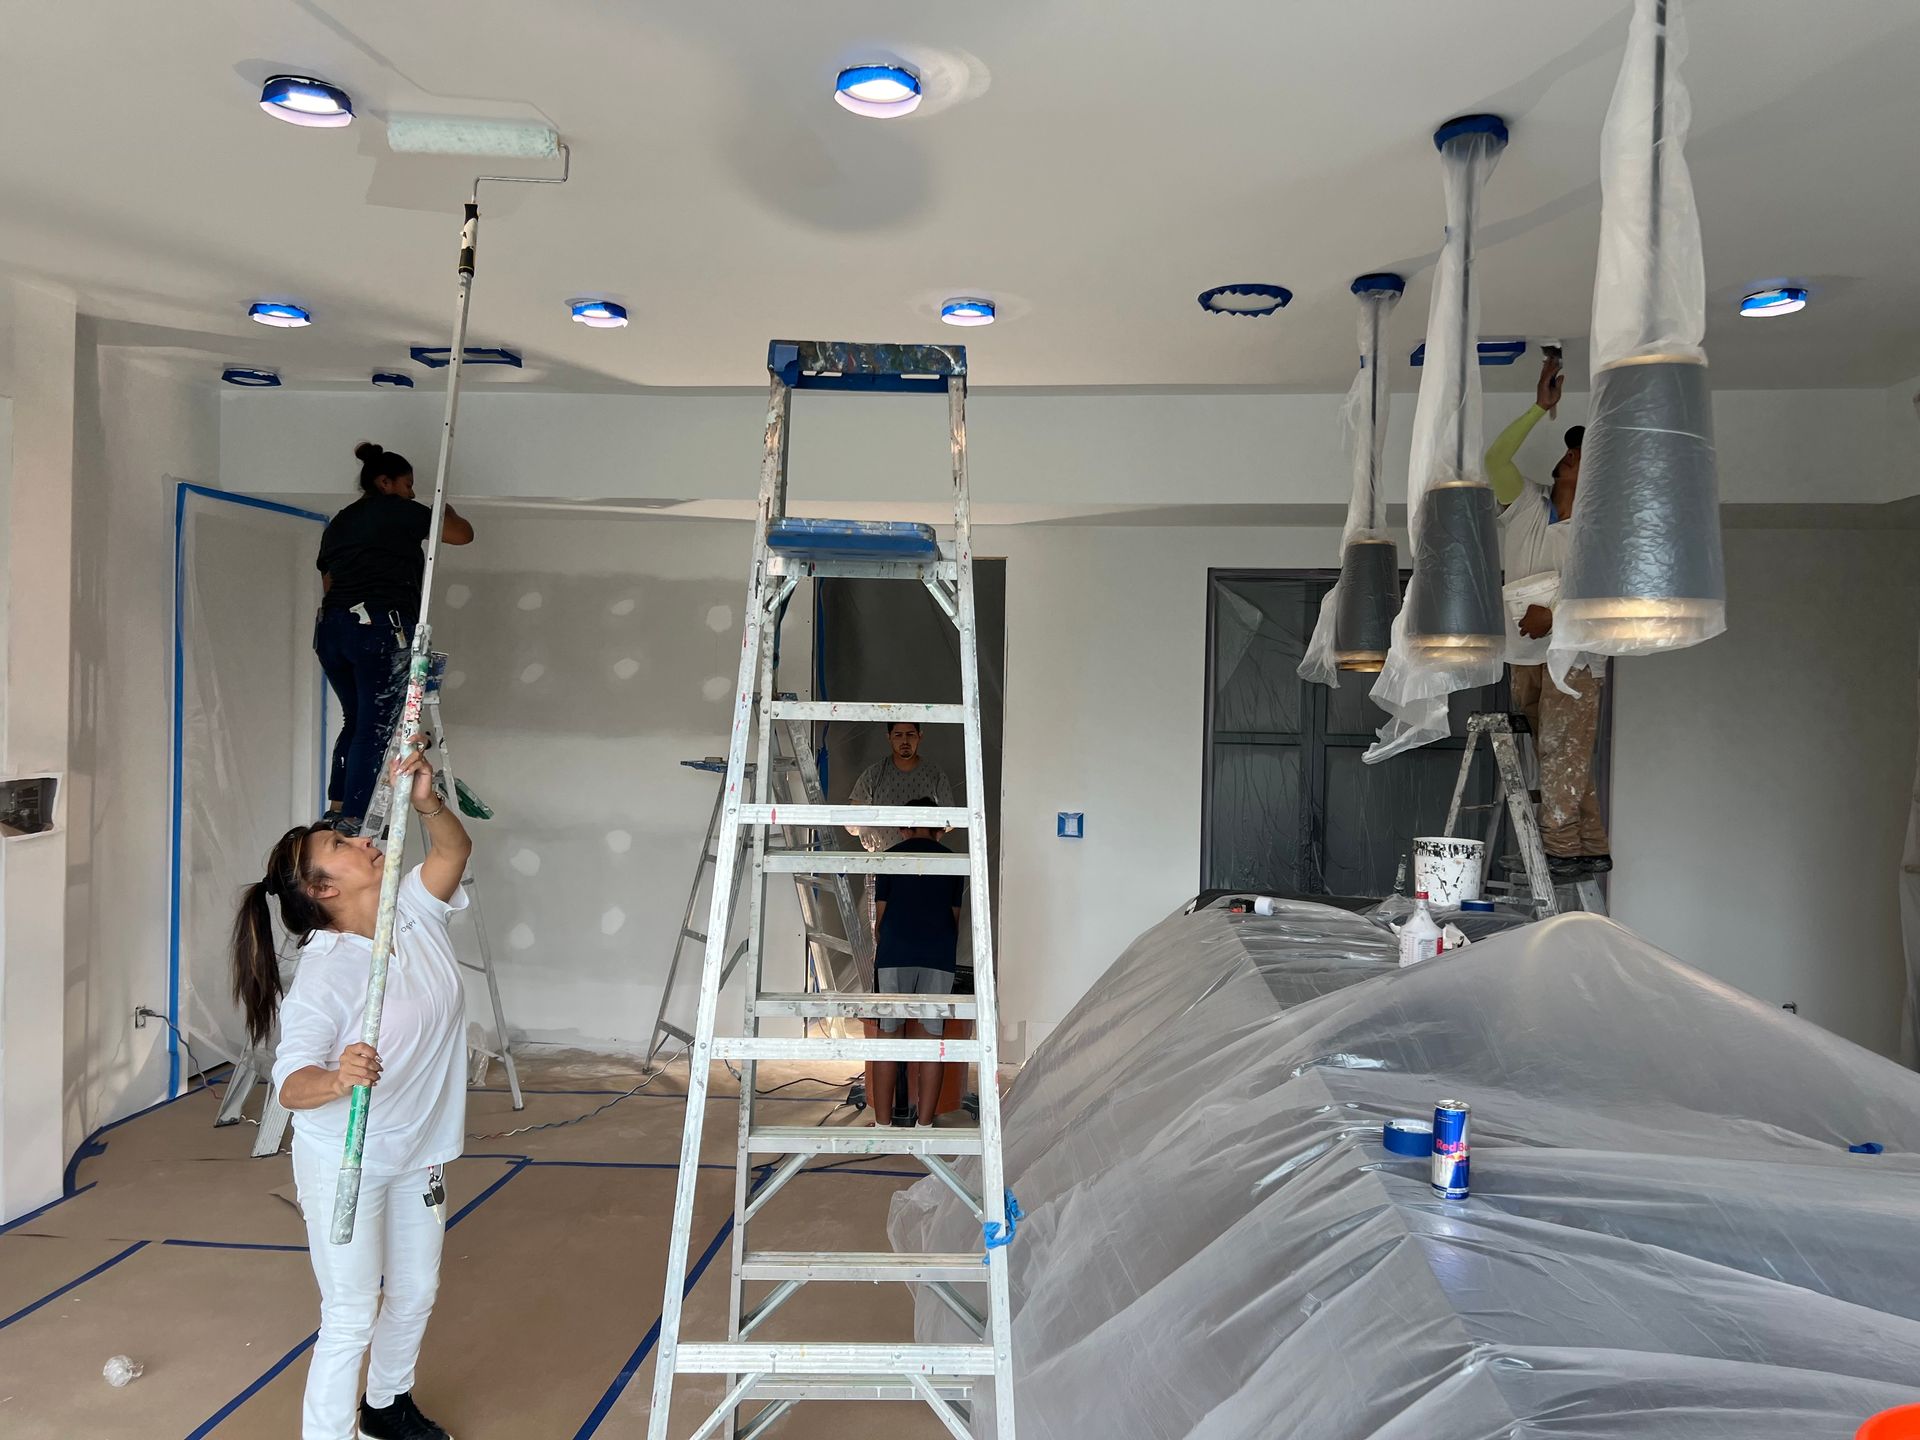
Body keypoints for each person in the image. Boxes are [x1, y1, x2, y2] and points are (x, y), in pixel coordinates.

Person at [229, 738, 471, 1440]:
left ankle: (388, 1405)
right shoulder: (328, 973)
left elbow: (453, 855)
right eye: (339, 843)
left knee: (417, 1293)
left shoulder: (409, 912)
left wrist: (427, 802)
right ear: (323, 890)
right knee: (350, 1310)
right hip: (348, 1160)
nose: (360, 839)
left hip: (419, 1148)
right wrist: (337, 1078)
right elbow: (290, 1086)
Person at [1485, 354, 1611, 881]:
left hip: (1576, 657)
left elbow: (1608, 594)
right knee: (1556, 753)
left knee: (1563, 752)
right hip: (1525, 655)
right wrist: (1540, 408)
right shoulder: (1527, 507)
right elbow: (1495, 459)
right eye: (1571, 449)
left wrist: (1553, 614)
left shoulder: (1600, 528)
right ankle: (1590, 842)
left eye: (1582, 454)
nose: (1570, 455)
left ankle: (1559, 852)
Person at [315, 441, 474, 836]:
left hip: (332, 629)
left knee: (356, 720)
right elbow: (461, 534)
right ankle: (355, 819)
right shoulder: (395, 510)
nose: (412, 493)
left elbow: (328, 581)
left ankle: (338, 808)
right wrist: (442, 509)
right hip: (376, 629)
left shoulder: (340, 522)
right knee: (375, 725)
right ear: (384, 482)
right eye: (407, 484)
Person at [869, 798, 965, 1129]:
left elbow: (879, 921)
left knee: (888, 1040)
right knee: (932, 1042)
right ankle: (924, 1127)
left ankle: (883, 1127)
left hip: (896, 952)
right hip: (938, 955)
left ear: (903, 826)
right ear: (940, 827)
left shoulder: (890, 858)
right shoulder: (954, 863)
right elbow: (955, 920)